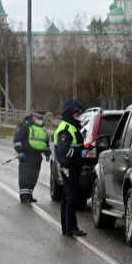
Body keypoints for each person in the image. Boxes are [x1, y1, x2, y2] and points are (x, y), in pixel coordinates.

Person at [54, 99, 88, 237]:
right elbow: (64, 151)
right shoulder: (66, 129)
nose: (78, 114)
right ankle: (70, 227)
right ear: (69, 113)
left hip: (73, 167)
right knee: (71, 197)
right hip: (68, 167)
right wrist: (79, 153)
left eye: (78, 112)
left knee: (68, 197)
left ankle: (68, 226)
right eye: (75, 112)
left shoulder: (72, 127)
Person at [13, 110, 51, 203]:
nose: (40, 119)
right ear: (33, 116)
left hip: (37, 157)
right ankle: (24, 197)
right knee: (25, 176)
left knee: (34, 177)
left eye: (41, 118)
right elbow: (17, 139)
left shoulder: (43, 127)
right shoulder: (25, 125)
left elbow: (45, 141)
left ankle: (29, 195)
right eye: (38, 117)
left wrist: (47, 152)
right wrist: (20, 151)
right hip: (26, 156)